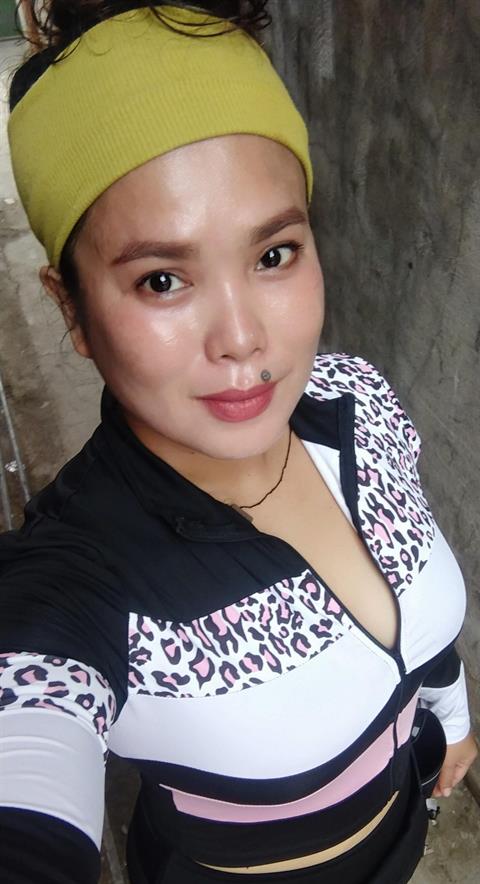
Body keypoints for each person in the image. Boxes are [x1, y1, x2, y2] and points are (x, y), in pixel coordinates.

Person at [0, 2, 477, 882]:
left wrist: (450, 719)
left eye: (273, 255)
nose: (243, 339)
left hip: (403, 835)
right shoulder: (83, 573)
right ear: (71, 308)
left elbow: (421, 616)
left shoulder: (356, 400)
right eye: (163, 279)